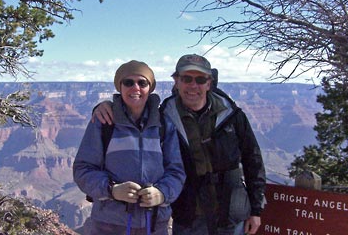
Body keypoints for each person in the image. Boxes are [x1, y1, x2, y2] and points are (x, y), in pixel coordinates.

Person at [92, 55, 266, 235]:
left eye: (200, 79)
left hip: (231, 214)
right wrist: (105, 106)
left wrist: (255, 210)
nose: (193, 85)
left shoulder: (232, 116)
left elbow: (253, 160)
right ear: (176, 81)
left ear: (209, 83)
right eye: (186, 79)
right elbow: (134, 113)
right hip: (189, 217)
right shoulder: (163, 118)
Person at [73, 60, 186, 235]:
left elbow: (176, 171)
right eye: (128, 82)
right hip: (109, 225)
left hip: (155, 224)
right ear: (120, 86)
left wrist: (162, 193)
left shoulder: (163, 124)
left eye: (142, 83)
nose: (136, 88)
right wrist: (112, 190)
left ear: (150, 87)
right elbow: (83, 169)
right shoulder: (104, 124)